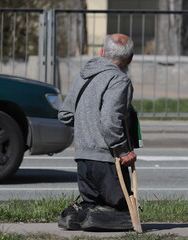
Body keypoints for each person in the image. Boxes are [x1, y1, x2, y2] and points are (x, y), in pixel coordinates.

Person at [58, 33, 137, 231]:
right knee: (123, 211)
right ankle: (90, 218)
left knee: (93, 205)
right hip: (105, 159)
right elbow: (110, 121)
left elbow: (65, 114)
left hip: (82, 157)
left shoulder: (84, 75)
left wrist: (87, 123)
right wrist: (123, 151)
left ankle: (78, 217)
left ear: (102, 52)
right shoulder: (119, 80)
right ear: (130, 58)